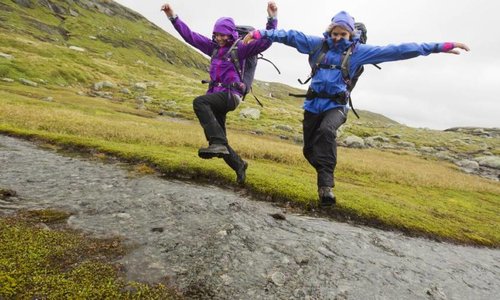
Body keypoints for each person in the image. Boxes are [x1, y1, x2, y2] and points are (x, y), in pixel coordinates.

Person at [243, 11, 469, 207]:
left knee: (327, 132)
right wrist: (260, 33)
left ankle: (326, 188)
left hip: (337, 106)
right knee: (309, 150)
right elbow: (289, 36)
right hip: (312, 105)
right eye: (335, 33)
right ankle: (325, 171)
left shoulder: (360, 52)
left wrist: (440, 47)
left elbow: (399, 50)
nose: (338, 37)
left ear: (351, 34)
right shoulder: (316, 45)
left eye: (343, 33)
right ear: (330, 32)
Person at [161, 2, 278, 185]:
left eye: (222, 34)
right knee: (218, 140)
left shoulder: (241, 49)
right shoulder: (213, 48)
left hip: (231, 95)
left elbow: (266, 42)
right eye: (216, 34)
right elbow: (189, 36)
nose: (219, 38)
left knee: (200, 103)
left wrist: (272, 19)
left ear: (230, 33)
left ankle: (218, 144)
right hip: (217, 94)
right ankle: (239, 165)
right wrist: (172, 17)